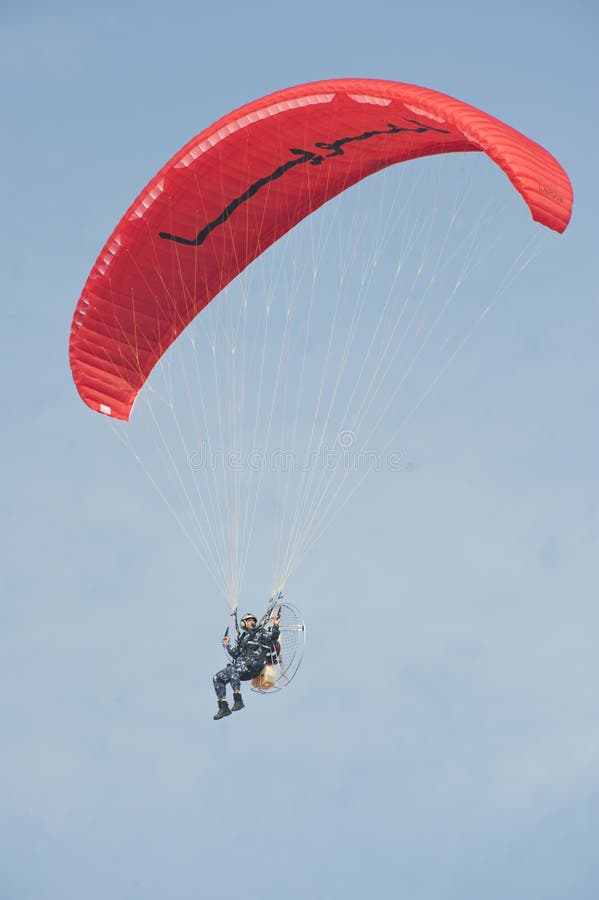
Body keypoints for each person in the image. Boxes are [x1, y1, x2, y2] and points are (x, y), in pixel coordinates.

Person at [213, 611, 281, 720]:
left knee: (232, 670)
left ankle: (238, 700)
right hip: (242, 667)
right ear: (244, 623)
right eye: (249, 620)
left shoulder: (260, 633)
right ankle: (223, 706)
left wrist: (276, 625)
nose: (252, 622)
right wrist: (227, 645)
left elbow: (273, 638)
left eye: (253, 620)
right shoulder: (243, 639)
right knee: (217, 677)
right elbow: (236, 654)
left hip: (253, 666)